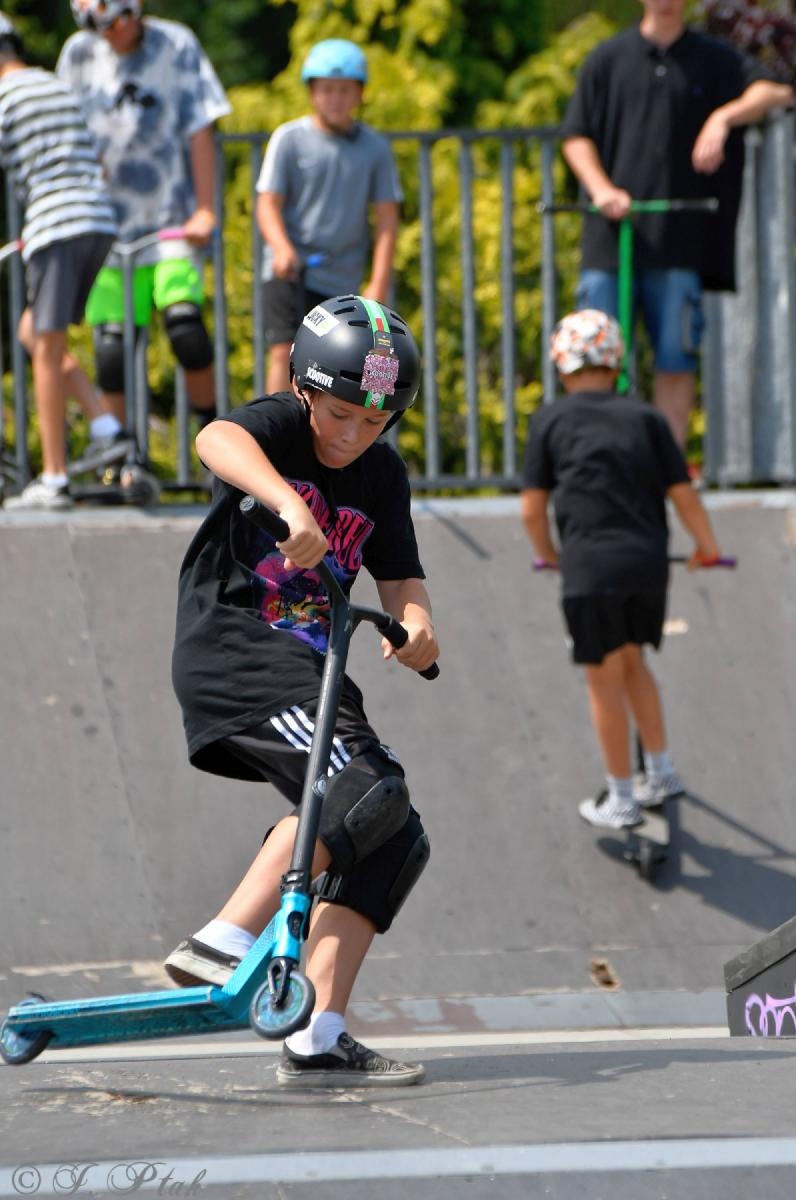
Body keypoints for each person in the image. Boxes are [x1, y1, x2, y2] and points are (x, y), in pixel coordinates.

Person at [165, 295, 438, 1087]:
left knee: (392, 834)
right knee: (360, 791)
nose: (352, 437)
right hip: (239, 651)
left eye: (374, 423)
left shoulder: (383, 475)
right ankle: (223, 939)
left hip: (315, 669)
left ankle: (317, 1034)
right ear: (305, 387)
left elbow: (401, 575)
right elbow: (215, 436)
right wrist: (286, 500)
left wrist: (418, 626)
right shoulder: (282, 424)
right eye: (342, 414)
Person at [520, 309, 723, 829]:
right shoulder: (648, 418)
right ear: (617, 363)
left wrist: (550, 555)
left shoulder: (550, 419)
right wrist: (707, 547)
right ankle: (661, 770)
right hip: (648, 566)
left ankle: (622, 797)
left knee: (603, 679)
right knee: (633, 662)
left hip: (591, 568)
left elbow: (532, 508)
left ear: (562, 364)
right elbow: (683, 495)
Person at [560, 0, 793, 449]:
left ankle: (666, 471)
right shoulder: (607, 58)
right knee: (592, 361)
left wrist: (722, 118)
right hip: (610, 246)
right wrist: (602, 189)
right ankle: (598, 458)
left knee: (676, 359)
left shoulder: (715, 57)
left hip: (678, 245)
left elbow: (776, 92)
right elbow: (576, 136)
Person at [58, 0, 231, 437]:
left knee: (186, 330)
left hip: (172, 217)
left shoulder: (175, 44)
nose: (108, 35)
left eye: (114, 23)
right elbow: (67, 135)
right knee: (111, 348)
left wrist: (207, 208)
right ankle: (121, 453)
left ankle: (213, 440)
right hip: (104, 224)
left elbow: (200, 128)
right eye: (97, 27)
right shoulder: (78, 53)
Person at [0, 12, 129, 512]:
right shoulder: (51, 84)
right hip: (96, 220)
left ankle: (53, 477)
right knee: (33, 331)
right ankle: (105, 426)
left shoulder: (5, 97)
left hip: (57, 224)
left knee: (47, 350)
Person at [256, 38, 403, 394]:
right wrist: (281, 247)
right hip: (290, 271)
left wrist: (378, 281)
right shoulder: (288, 138)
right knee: (283, 353)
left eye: (344, 90)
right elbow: (267, 203)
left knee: (341, 364)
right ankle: (277, 432)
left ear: (359, 94)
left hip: (342, 279)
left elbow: (387, 218)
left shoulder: (375, 148)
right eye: (326, 90)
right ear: (311, 93)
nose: (335, 98)